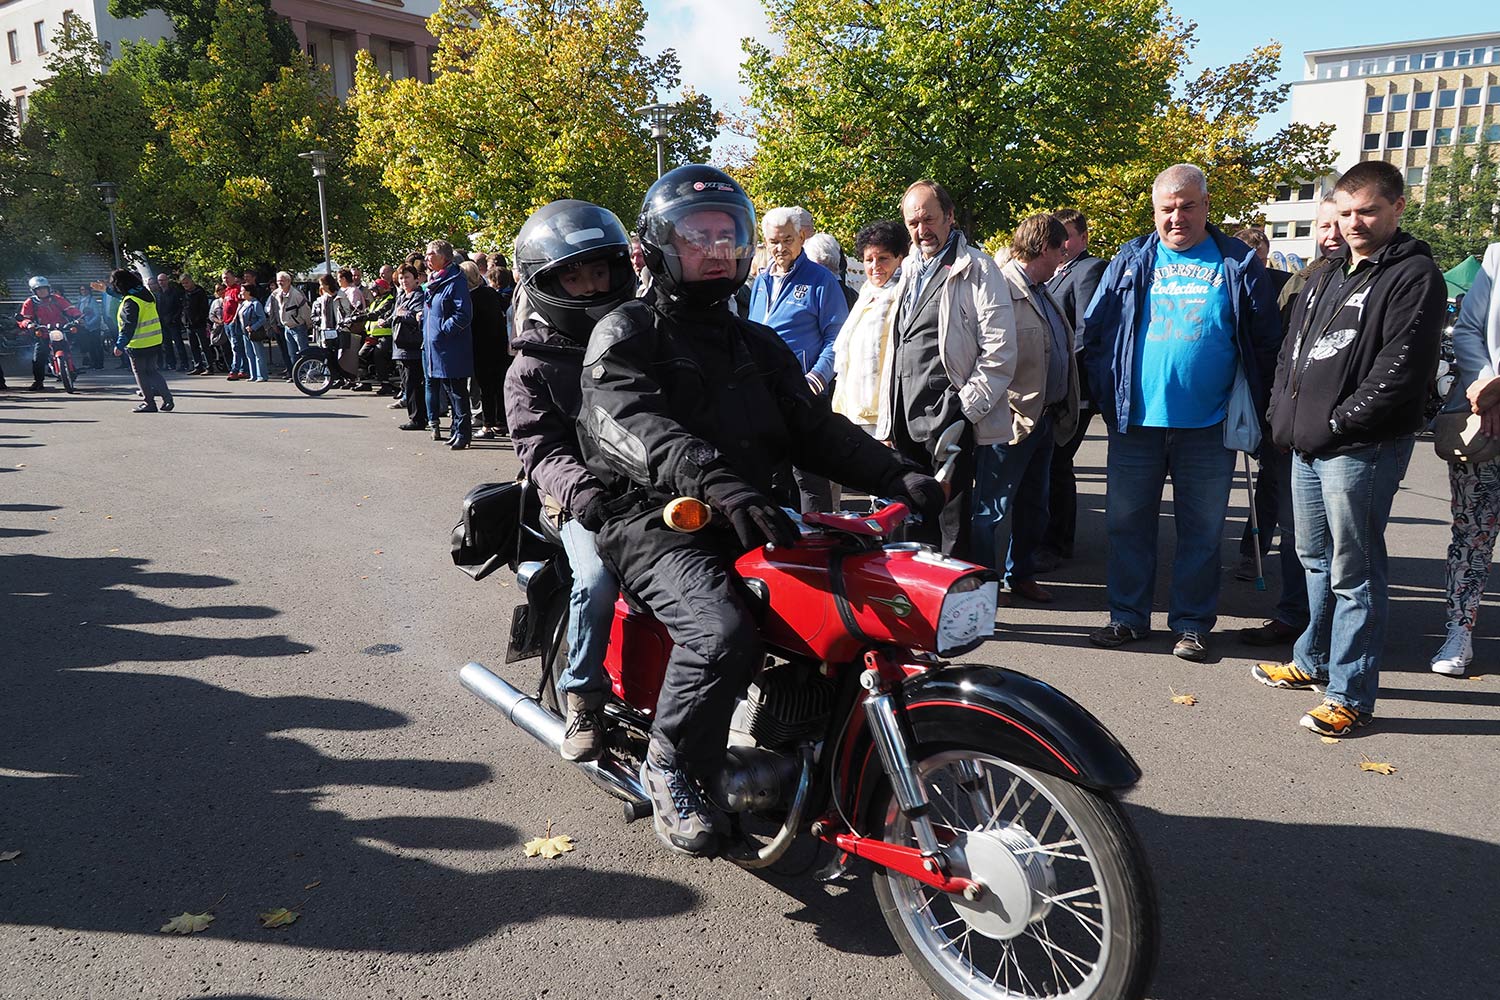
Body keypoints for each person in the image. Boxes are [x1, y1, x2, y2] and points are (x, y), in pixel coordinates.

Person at [578, 165, 942, 857]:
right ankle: (673, 762)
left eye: (726, 235)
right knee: (719, 632)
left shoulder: (756, 342)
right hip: (659, 522)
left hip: (752, 511)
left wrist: (895, 472)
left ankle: (815, 744)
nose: (716, 249)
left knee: (851, 604)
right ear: (658, 246)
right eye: (696, 236)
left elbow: (814, 428)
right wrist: (716, 482)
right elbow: (633, 424)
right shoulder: (627, 331)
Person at [1252, 161, 1446, 735]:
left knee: (1354, 572)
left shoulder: (1414, 276)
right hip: (1304, 445)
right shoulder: (1326, 272)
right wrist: (1279, 415)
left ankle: (1352, 694)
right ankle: (1312, 660)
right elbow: (1292, 353)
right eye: (1346, 212)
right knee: (1314, 561)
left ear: (1398, 207)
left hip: (1359, 447)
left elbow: (1400, 370)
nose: (1355, 222)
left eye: (1368, 211)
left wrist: (1336, 425)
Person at [1080, 163, 1280, 661]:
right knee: (1126, 524)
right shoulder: (1130, 259)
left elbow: (1264, 341)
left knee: (1202, 530)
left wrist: (1255, 407)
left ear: (1206, 206)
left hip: (1209, 427)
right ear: (1154, 210)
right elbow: (1096, 332)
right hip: (1137, 424)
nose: (1177, 217)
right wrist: (1110, 399)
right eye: (1167, 208)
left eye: (1188, 206)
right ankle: (1127, 617)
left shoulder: (1235, 262)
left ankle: (1191, 624)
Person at [506, 200, 638, 761]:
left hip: (646, 487)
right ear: (546, 283)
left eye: (599, 271)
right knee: (599, 578)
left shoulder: (637, 335)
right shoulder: (530, 367)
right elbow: (539, 448)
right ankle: (582, 694)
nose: (589, 286)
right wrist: (584, 494)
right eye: (573, 275)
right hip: (574, 498)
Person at [885, 179, 1017, 558]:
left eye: (929, 219)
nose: (921, 230)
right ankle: (918, 607)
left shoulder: (978, 268)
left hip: (950, 419)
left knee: (951, 525)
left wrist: (963, 407)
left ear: (950, 217)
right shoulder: (908, 268)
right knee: (911, 518)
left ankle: (957, 611)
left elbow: (1000, 350)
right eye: (913, 222)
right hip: (904, 417)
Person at [1237, 198, 1346, 648]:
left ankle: (1331, 635)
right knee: (1297, 531)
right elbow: (1281, 357)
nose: (1332, 234)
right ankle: (1295, 618)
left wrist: (1343, 419)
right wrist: (1275, 420)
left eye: (1341, 223)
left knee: (1344, 543)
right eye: (1324, 226)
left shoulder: (1394, 278)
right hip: (1292, 428)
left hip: (1349, 434)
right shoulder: (1303, 282)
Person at [971, 213, 1080, 605]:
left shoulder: (1041, 289)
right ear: (1043, 248)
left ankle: (1021, 574)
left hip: (1044, 418)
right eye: (1060, 251)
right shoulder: (1000, 288)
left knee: (1035, 505)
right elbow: (983, 356)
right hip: (1010, 420)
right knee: (992, 508)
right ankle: (982, 586)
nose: (1063, 260)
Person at [748, 207, 850, 512]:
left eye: (788, 240)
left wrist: (816, 378)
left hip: (805, 396)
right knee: (774, 480)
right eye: (774, 241)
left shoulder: (821, 280)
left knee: (810, 481)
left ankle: (821, 551)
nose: (780, 248)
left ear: (801, 237)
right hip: (766, 397)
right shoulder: (761, 282)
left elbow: (838, 338)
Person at [1431, 242, 1500, 677]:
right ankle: (1459, 631)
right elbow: (1469, 330)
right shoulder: (1496, 257)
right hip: (1485, 422)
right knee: (1472, 534)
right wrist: (1489, 385)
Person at [1037, 208, 1109, 570]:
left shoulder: (1088, 270)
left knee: (1058, 463)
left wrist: (1061, 371)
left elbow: (1086, 329)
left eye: (1066, 235)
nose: (1060, 244)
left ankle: (1059, 543)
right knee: (1050, 463)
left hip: (1073, 388)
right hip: (1052, 388)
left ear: (1082, 237)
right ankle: (1047, 536)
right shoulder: (1054, 273)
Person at [831, 219, 909, 435]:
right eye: (869, 259)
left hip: (884, 417)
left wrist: (889, 426)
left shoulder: (904, 295)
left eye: (883, 258)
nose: (875, 266)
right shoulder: (866, 293)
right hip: (853, 412)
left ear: (899, 259)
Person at [422, 240, 475, 450]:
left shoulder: (455, 280)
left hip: (452, 346)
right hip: (437, 348)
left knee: (458, 391)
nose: (426, 258)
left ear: (443, 257)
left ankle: (463, 433)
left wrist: (444, 330)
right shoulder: (435, 281)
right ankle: (455, 430)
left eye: (430, 254)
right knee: (449, 390)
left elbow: (463, 313)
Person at [110, 268, 174, 413]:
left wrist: (120, 344)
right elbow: (124, 294)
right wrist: (106, 290)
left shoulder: (130, 301)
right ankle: (167, 399)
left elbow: (128, 325)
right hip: (154, 339)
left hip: (138, 343)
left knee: (140, 372)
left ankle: (149, 403)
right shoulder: (146, 294)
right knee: (152, 371)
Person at [461, 261, 507, 439]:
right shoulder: (491, 293)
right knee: (498, 386)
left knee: (485, 388)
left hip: (481, 346)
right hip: (499, 344)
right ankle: (501, 422)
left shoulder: (470, 299)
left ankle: (488, 425)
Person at [18, 277, 82, 391]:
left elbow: (70, 309)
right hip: (43, 333)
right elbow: (24, 318)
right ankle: (38, 381)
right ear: (34, 291)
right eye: (39, 289)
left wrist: (78, 317)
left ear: (49, 289)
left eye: (44, 289)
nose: (42, 291)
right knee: (38, 358)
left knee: (68, 349)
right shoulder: (30, 302)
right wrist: (28, 324)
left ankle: (71, 370)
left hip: (60, 329)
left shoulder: (57, 299)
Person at [392, 265, 429, 431]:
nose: (403, 281)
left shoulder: (418, 295)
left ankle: (418, 418)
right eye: (401, 278)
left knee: (413, 383)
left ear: (416, 279)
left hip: (412, 346)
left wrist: (403, 314)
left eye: (407, 277)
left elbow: (418, 315)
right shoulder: (401, 296)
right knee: (408, 382)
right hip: (401, 346)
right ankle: (417, 416)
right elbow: (394, 315)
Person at [268, 271, 312, 382]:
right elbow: (272, 310)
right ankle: (295, 375)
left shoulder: (297, 294)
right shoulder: (276, 294)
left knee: (304, 351)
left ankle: (308, 374)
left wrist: (308, 324)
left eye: (282, 281)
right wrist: (273, 323)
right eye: (278, 281)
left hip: (298, 326)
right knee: (292, 353)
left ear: (289, 281)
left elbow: (305, 310)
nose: (280, 283)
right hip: (286, 327)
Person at [313, 274, 351, 388]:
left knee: (340, 356)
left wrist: (344, 322)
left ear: (327, 285)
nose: (321, 287)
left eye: (322, 284)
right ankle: (335, 377)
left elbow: (346, 311)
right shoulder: (324, 298)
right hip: (327, 330)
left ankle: (344, 378)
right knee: (329, 355)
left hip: (339, 330)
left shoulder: (340, 296)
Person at [179, 275, 212, 375]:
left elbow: (204, 308)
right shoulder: (184, 293)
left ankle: (209, 367)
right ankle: (198, 366)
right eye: (183, 283)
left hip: (199, 324)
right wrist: (183, 319)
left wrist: (199, 319)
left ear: (191, 281)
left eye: (187, 282)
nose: (185, 285)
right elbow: (183, 307)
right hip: (188, 324)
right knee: (193, 346)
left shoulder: (199, 292)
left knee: (204, 346)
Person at [237, 288, 271, 382]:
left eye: (242, 291)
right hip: (245, 333)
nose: (240, 293)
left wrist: (253, 327)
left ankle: (262, 375)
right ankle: (253, 375)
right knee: (249, 354)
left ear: (248, 291)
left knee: (258, 354)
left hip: (254, 333)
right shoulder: (243, 303)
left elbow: (262, 319)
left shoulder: (256, 304)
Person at [155, 272, 185, 371]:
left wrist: (174, 318)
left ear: (167, 280)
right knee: (167, 345)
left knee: (178, 344)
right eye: (159, 280)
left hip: (173, 322)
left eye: (163, 280)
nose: (161, 282)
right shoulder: (158, 294)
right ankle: (170, 364)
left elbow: (179, 307)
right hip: (162, 322)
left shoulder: (174, 292)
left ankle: (183, 364)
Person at [76, 283, 106, 370]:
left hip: (93, 327)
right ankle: (93, 362)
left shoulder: (92, 300)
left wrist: (89, 324)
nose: (83, 291)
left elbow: (97, 315)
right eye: (82, 290)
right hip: (83, 327)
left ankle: (99, 363)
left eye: (85, 289)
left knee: (96, 345)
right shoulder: (80, 301)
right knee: (90, 346)